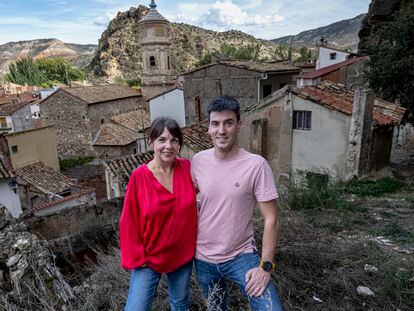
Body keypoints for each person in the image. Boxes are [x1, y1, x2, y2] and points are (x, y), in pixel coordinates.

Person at [191, 95, 283, 310]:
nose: (221, 131)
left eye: (228, 123)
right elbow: (182, 201)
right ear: (209, 128)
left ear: (239, 125)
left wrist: (265, 267)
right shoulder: (198, 161)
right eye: (215, 124)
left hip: (240, 256)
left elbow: (272, 218)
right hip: (203, 259)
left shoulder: (256, 165)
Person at [119, 117, 197, 311]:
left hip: (182, 255)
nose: (168, 146)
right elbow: (128, 221)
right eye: (162, 140)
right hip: (148, 258)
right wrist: (139, 259)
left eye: (174, 140)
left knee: (180, 305)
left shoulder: (187, 168)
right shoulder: (139, 177)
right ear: (151, 142)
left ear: (179, 144)